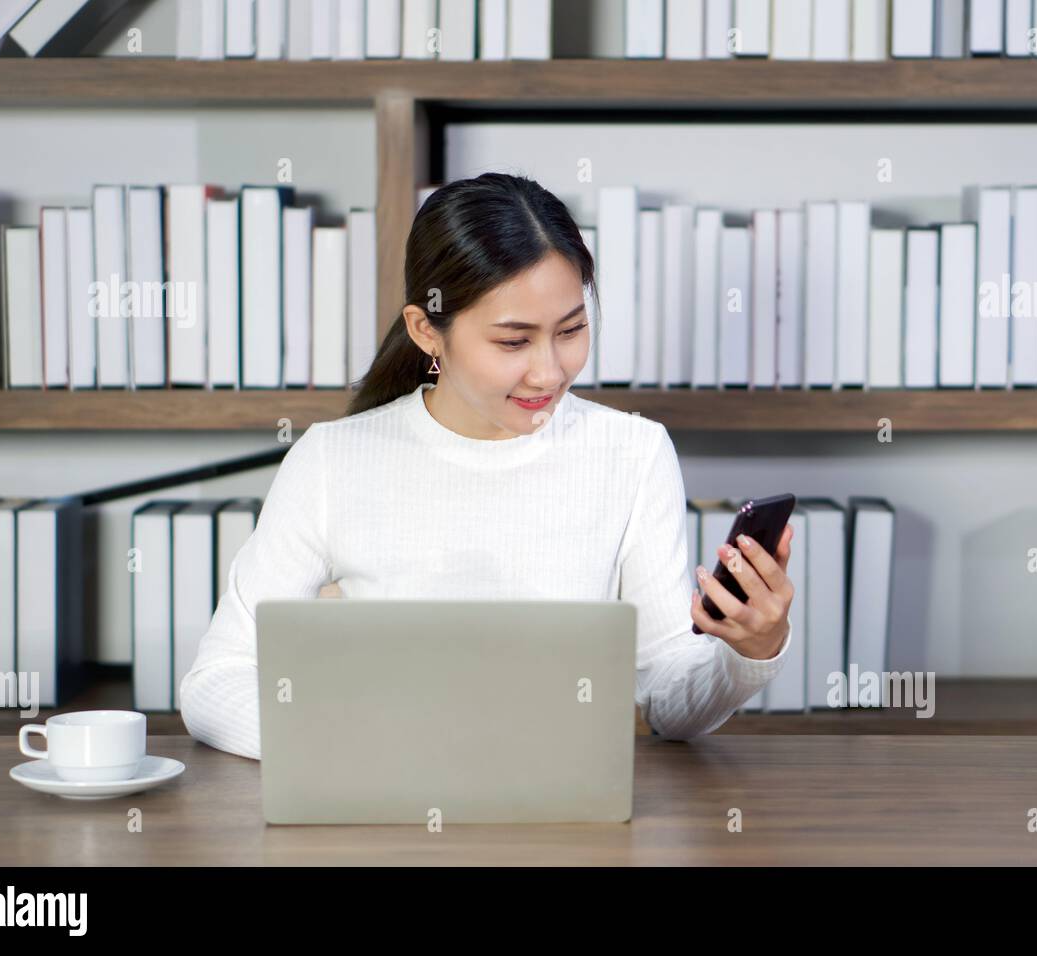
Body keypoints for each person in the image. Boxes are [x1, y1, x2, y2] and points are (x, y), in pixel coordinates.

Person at [179, 172, 794, 760]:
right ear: (427, 330)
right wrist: (360, 749)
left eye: (571, 330)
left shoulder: (633, 454)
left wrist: (748, 651)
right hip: (386, 822)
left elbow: (667, 699)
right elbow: (217, 680)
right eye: (512, 341)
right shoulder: (332, 460)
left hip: (564, 825)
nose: (549, 372)